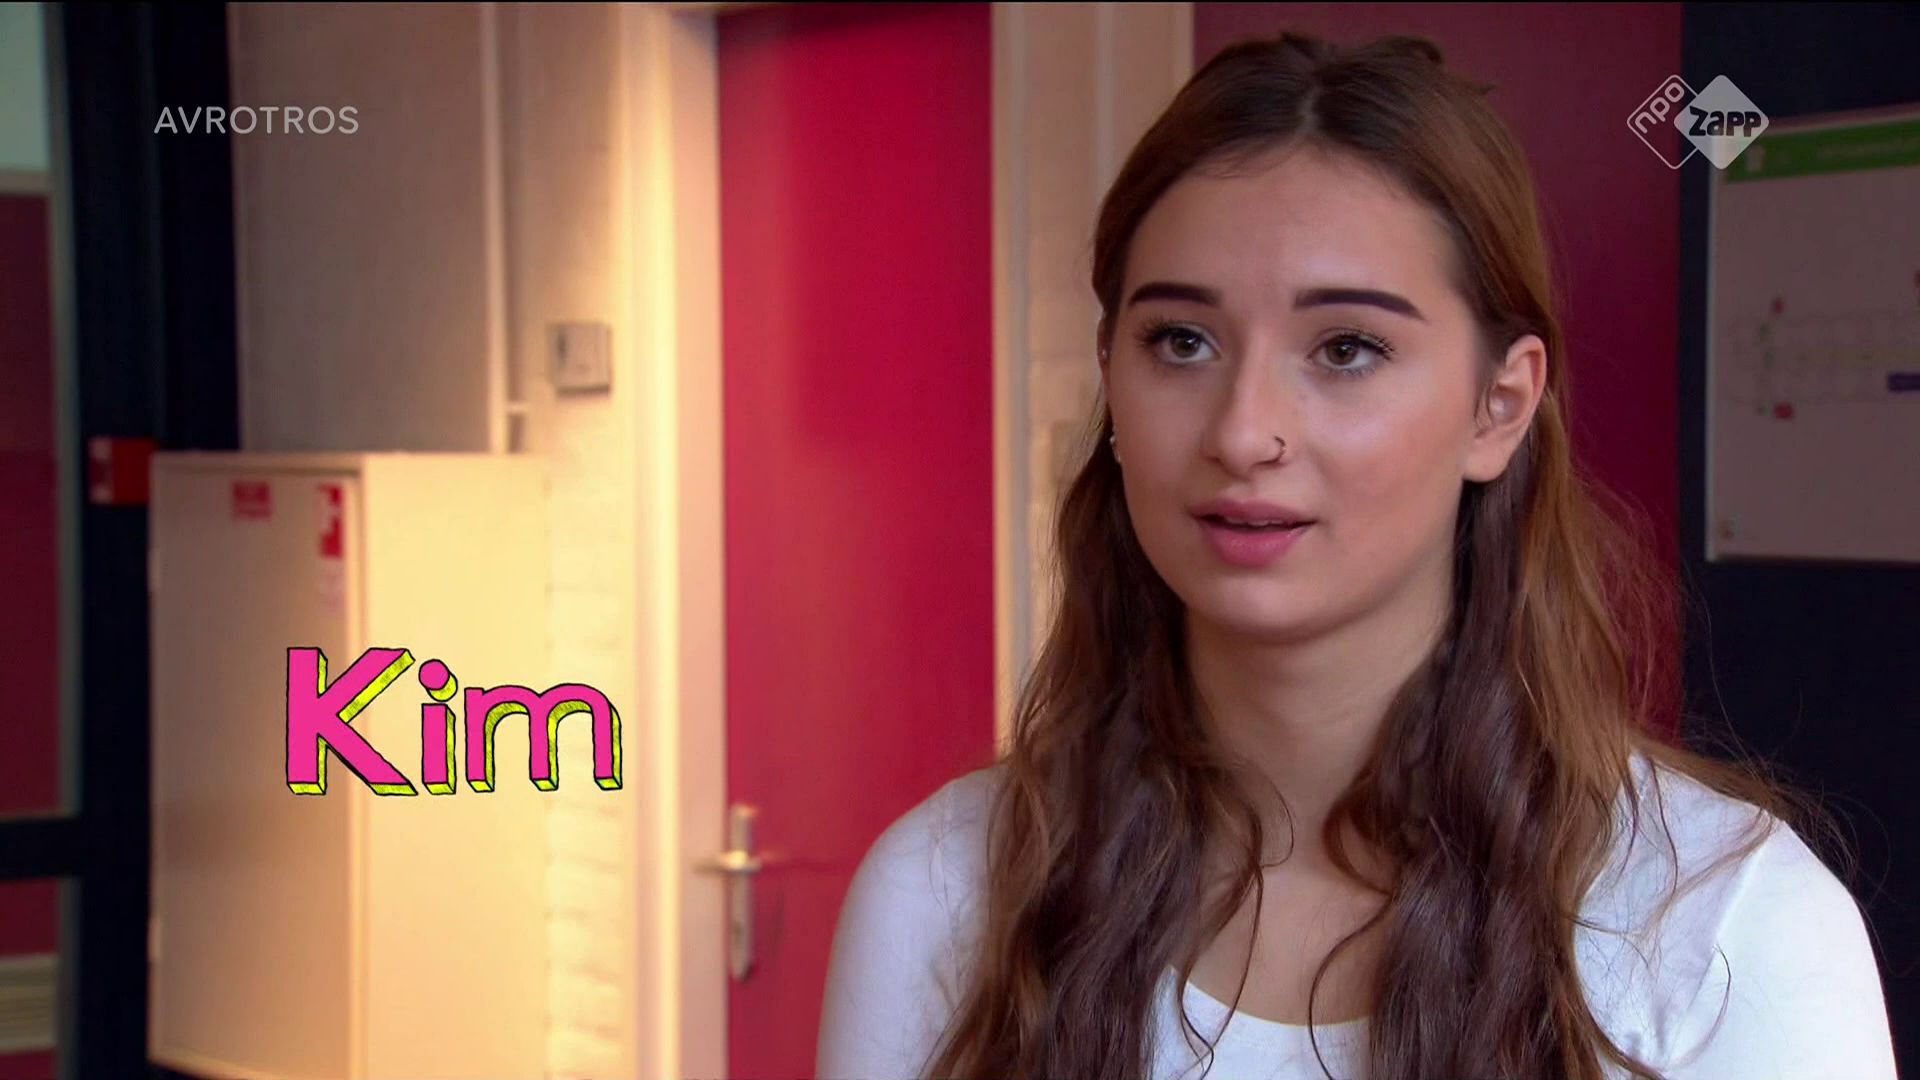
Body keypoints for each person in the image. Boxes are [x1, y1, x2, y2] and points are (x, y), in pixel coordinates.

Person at [815, 30, 1897, 1080]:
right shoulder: (944, 893)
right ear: (1112, 377)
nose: (1244, 432)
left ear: (1499, 405)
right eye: (1181, 341)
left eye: (1346, 349)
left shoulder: (1727, 932)